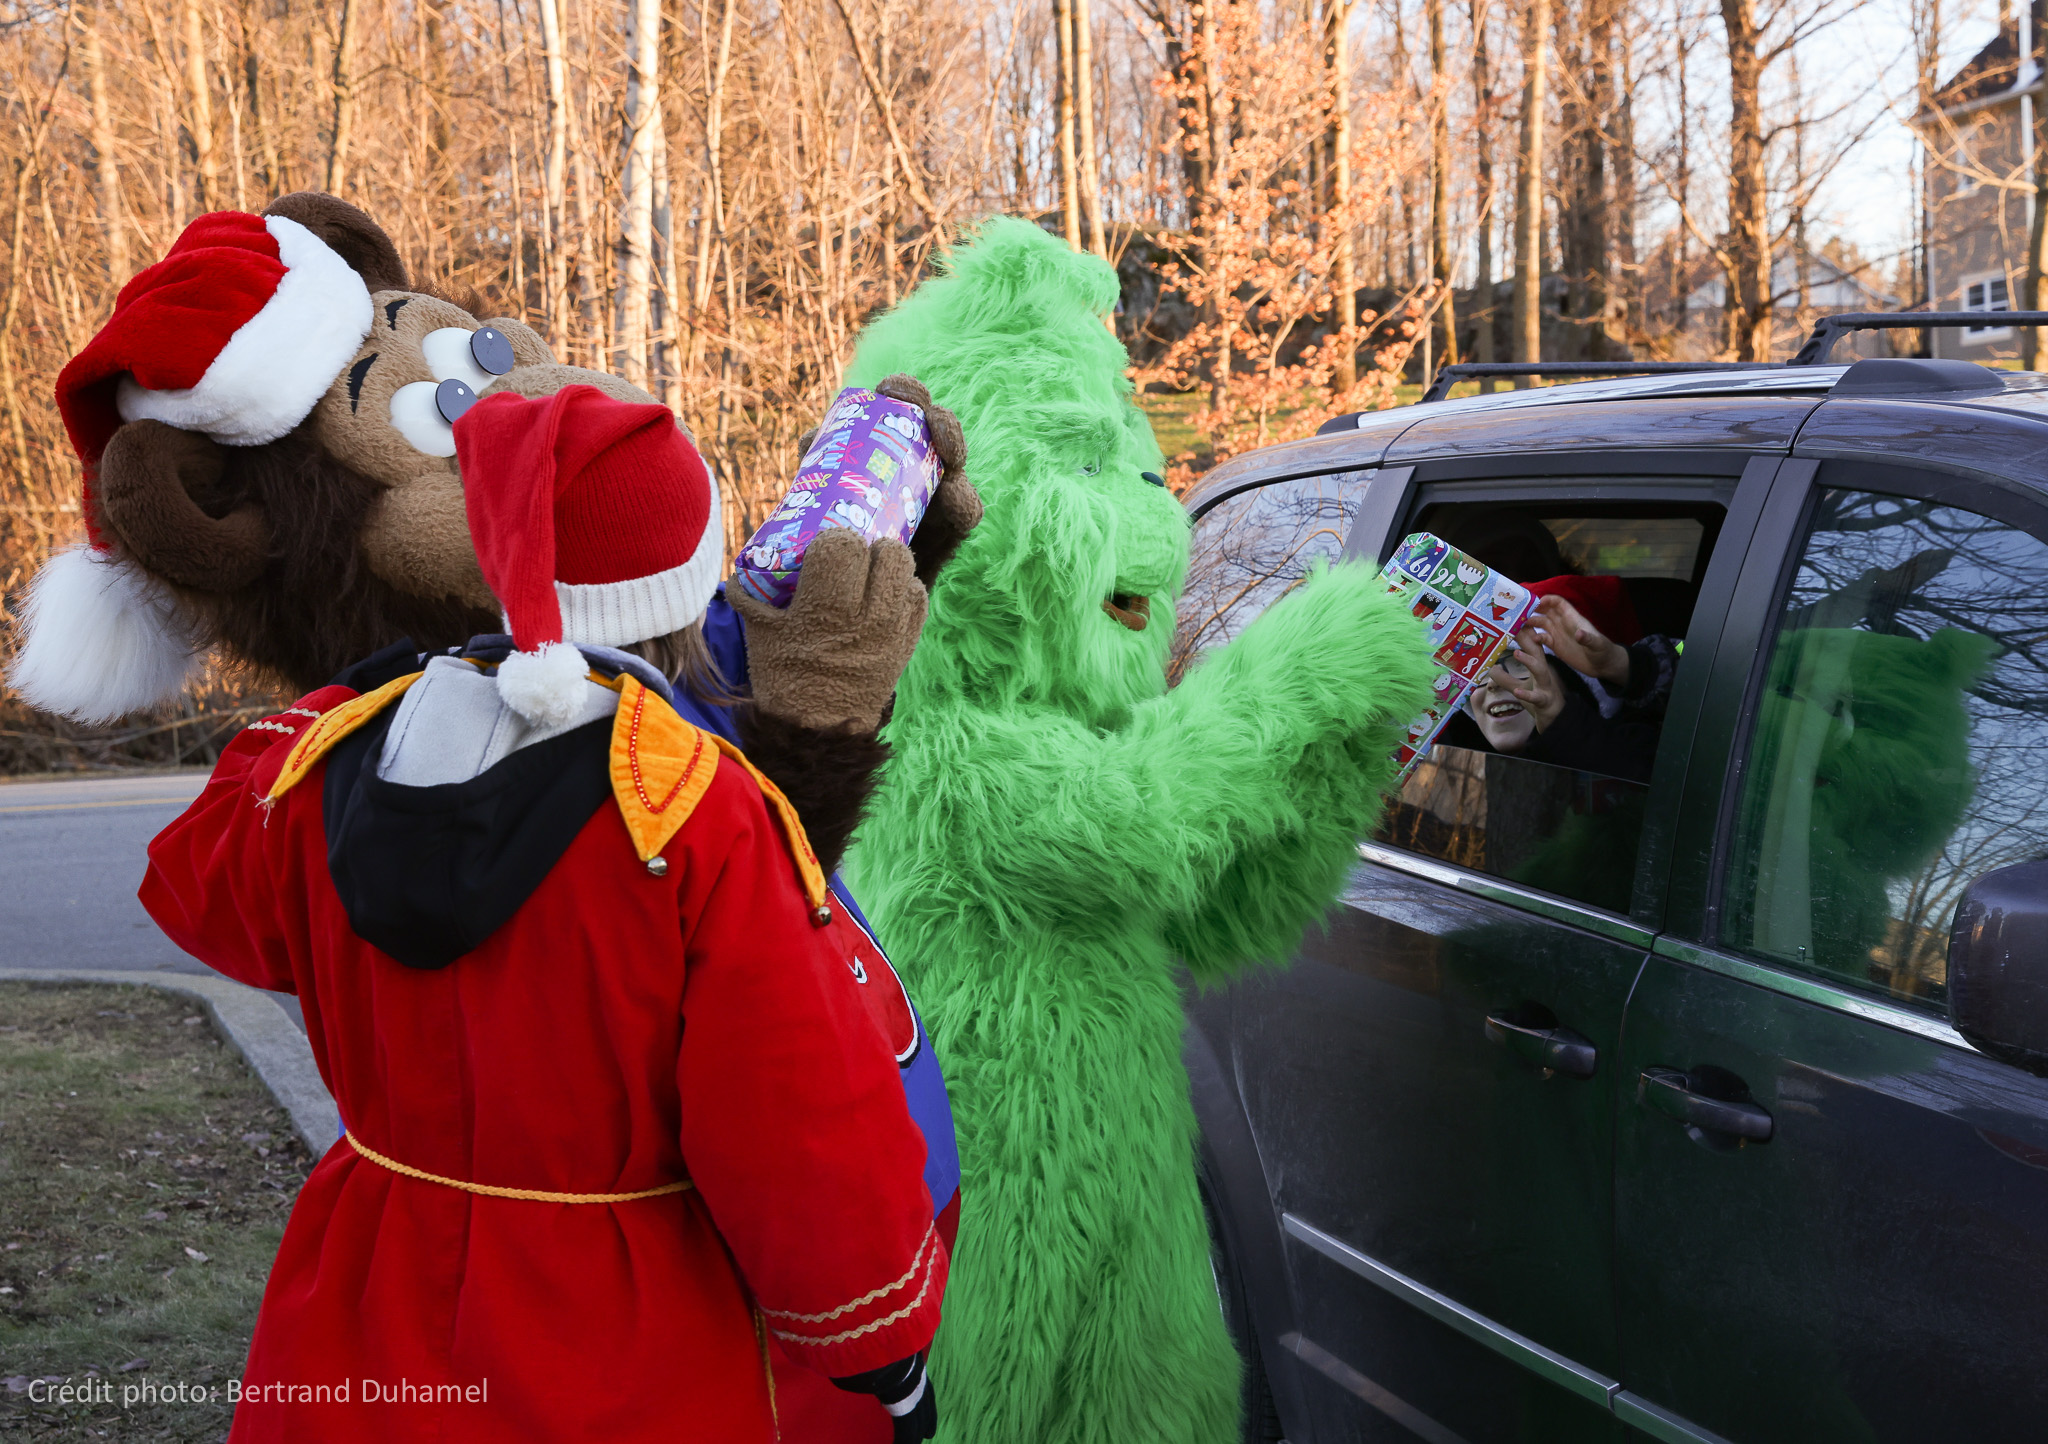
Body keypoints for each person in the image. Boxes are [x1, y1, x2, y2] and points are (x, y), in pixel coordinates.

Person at [139, 385, 946, 1443]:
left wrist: (366, 687)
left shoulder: (335, 759)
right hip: (621, 1329)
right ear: (680, 590)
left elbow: (201, 889)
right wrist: (880, 1352)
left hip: (371, 1292)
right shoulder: (694, 806)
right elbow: (797, 1120)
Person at [1464, 590, 1681, 784]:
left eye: (1518, 661)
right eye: (1478, 669)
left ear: (1570, 679)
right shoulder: (1469, 778)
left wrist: (1561, 724)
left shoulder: (1643, 747)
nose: (1493, 682)